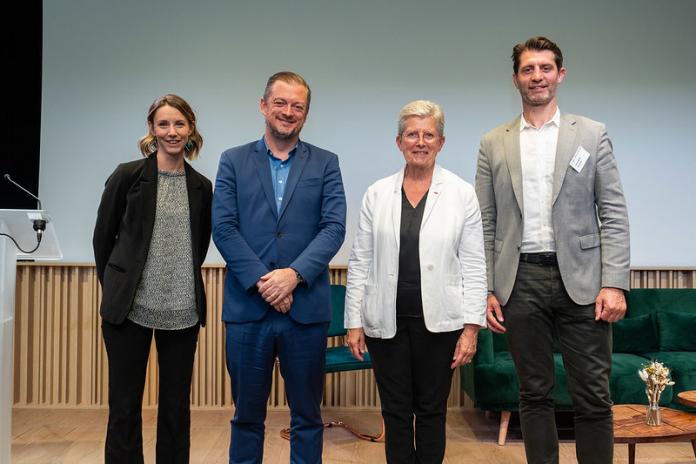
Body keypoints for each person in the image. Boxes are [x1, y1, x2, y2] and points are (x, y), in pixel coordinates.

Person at [475, 36, 630, 464]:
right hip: (519, 281)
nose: (537, 76)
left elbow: (614, 212)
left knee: (594, 395)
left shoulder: (592, 134)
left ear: (560, 74)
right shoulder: (494, 142)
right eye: (528, 69)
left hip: (584, 282)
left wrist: (614, 283)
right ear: (516, 79)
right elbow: (486, 222)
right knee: (534, 393)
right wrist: (487, 288)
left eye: (545, 68)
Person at [212, 71, 346, 464]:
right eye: (280, 103)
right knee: (246, 416)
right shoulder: (233, 161)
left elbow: (334, 227)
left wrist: (293, 276)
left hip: (305, 311)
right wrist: (263, 282)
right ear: (263, 105)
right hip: (247, 310)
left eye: (297, 106)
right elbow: (223, 227)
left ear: (305, 113)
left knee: (307, 416)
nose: (288, 112)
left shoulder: (326, 163)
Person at [345, 100, 487, 464]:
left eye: (428, 134)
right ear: (399, 142)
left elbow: (473, 263)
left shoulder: (460, 193)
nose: (420, 141)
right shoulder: (377, 193)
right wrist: (354, 322)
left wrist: (471, 329)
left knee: (430, 412)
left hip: (440, 325)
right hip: (385, 324)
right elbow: (360, 260)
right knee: (394, 412)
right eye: (412, 134)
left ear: (441, 142)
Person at [93, 94, 213, 463]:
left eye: (179, 124)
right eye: (164, 124)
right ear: (152, 129)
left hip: (182, 311)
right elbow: (103, 238)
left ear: (191, 128)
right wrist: (117, 287)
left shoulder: (202, 186)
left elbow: (201, 243)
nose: (172, 132)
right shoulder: (127, 176)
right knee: (124, 407)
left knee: (176, 410)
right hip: (129, 312)